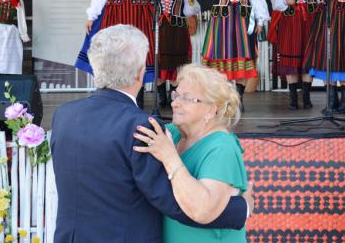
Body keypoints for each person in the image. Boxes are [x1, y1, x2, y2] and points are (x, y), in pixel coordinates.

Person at [51, 25, 250, 242]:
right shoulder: (141, 126)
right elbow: (172, 201)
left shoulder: (64, 116)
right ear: (140, 73)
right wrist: (241, 209)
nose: (176, 103)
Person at [133, 64, 249, 243]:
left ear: (212, 110)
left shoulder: (221, 148)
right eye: (176, 95)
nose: (174, 103)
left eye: (186, 98)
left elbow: (202, 209)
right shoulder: (175, 133)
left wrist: (170, 157)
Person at [75, 0, 156, 107]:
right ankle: (113, 99)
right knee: (114, 52)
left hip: (139, 12)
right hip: (116, 11)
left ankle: (137, 100)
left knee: (137, 53)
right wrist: (92, 15)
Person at [269, 0, 318, 109]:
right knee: (291, 57)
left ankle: (306, 96)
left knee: (308, 57)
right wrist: (285, 0)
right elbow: (274, 1)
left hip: (310, 21)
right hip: (290, 21)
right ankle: (292, 98)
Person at [155, 0, 201, 107]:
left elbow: (190, 11)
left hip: (178, 31)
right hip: (160, 31)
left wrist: (191, 2)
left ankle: (175, 96)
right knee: (160, 64)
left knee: (177, 65)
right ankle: (162, 98)